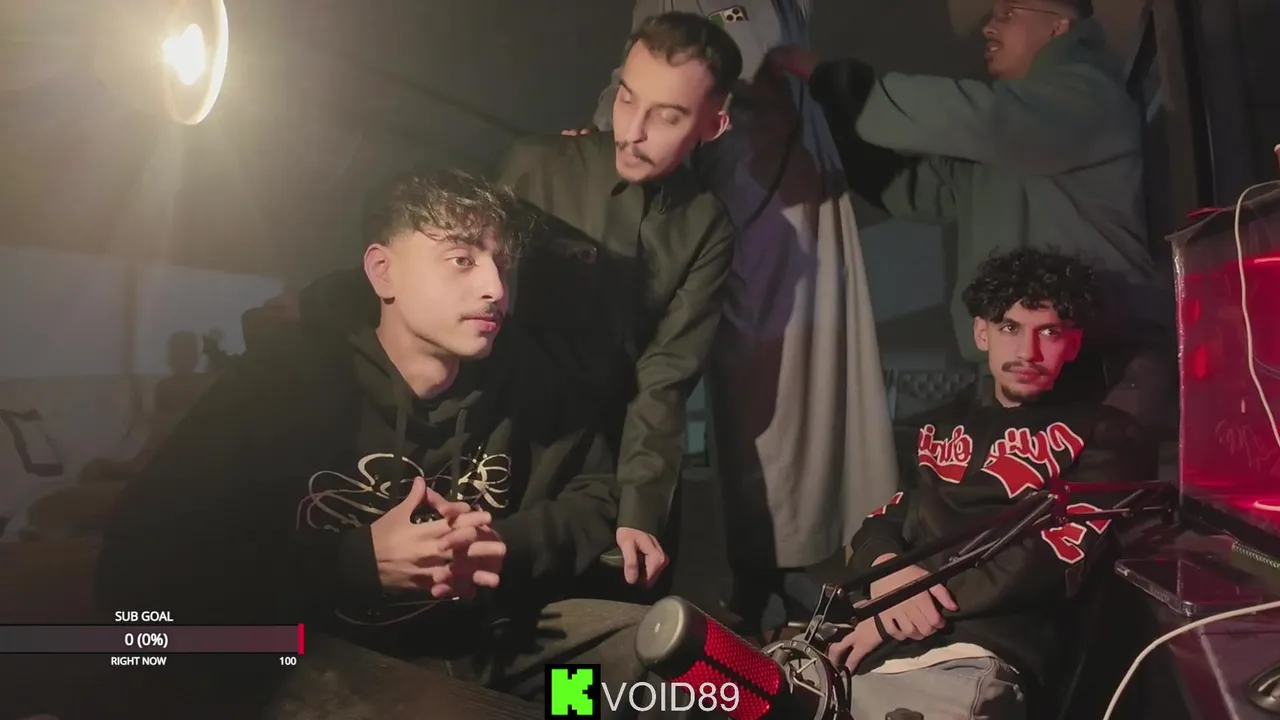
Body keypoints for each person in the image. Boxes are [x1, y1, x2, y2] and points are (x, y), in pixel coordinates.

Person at [94, 169, 665, 718]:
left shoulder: (527, 380)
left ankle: (619, 704)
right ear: (383, 272)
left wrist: (502, 545)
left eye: (500, 263)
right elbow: (142, 563)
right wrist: (357, 562)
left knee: (657, 662)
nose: (495, 288)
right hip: (323, 655)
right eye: (462, 260)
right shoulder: (282, 387)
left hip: (483, 646)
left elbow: (595, 493)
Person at [290, 12, 742, 593]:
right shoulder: (537, 165)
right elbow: (434, 247)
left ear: (714, 123)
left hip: (611, 462)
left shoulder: (707, 227)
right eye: (628, 98)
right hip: (503, 447)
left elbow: (666, 377)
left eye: (668, 115)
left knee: (616, 627)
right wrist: (312, 309)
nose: (632, 130)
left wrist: (641, 508)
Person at [581, 0, 897, 636]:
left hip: (796, 195)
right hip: (735, 204)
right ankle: (748, 573)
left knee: (808, 390)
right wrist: (598, 139)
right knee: (738, 393)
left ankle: (816, 566)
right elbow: (643, 71)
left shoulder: (784, 14)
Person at [767, 0, 1176, 431]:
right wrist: (831, 134)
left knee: (1092, 477)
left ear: (1059, 26)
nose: (989, 27)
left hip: (1096, 372)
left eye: (1008, 14)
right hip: (1021, 373)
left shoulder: (1086, 96)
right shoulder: (1016, 134)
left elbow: (984, 119)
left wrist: (835, 83)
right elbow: (923, 190)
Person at [826, 248, 1158, 719]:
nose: (1027, 352)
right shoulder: (938, 426)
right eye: (1009, 328)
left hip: (985, 651)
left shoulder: (1107, 434)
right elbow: (885, 520)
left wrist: (901, 608)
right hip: (879, 634)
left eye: (1050, 332)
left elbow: (1047, 560)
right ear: (981, 333)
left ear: (1073, 343)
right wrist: (887, 571)